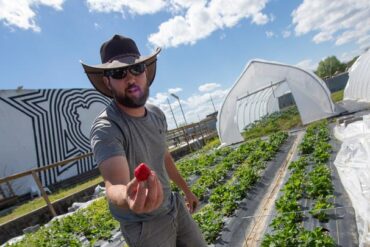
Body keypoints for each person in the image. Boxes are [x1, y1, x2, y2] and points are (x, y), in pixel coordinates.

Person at [81, 34, 207, 247]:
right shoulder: (108, 127)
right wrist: (128, 197)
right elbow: (114, 183)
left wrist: (186, 190)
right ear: (107, 81)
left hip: (173, 206)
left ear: (146, 73)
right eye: (118, 72)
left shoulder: (156, 114)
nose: (130, 79)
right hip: (145, 228)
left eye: (136, 69)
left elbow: (164, 157)